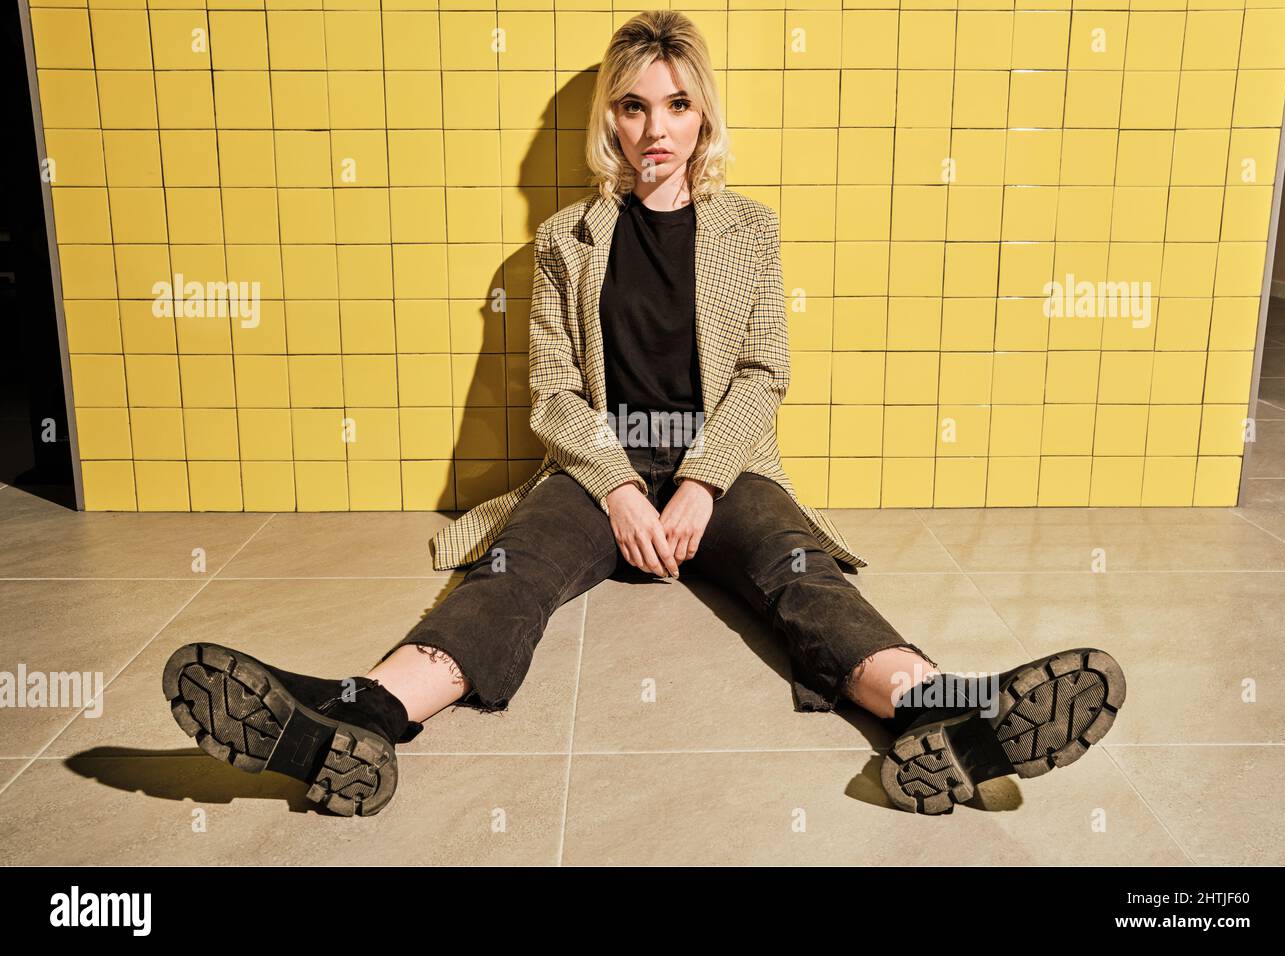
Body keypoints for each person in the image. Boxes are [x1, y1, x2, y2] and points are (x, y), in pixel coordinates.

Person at [162, 10, 1125, 819]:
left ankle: (940, 718)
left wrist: (703, 480)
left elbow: (762, 372)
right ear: (610, 121)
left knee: (805, 575)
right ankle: (360, 717)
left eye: (676, 103)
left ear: (703, 116)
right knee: (509, 578)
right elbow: (555, 393)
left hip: (726, 465)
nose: (655, 127)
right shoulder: (563, 241)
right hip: (597, 472)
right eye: (633, 105)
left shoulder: (750, 229)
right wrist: (620, 487)